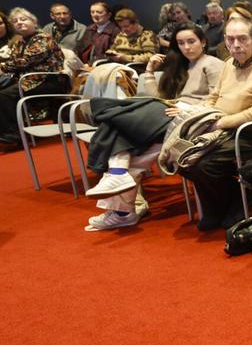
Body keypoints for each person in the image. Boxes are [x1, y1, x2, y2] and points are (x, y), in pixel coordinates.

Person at [81, 23, 223, 230]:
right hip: (167, 117)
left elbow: (217, 99)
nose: (186, 47)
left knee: (120, 125)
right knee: (133, 155)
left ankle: (121, 205)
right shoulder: (180, 66)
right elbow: (158, 98)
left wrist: (186, 108)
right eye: (181, 43)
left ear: (203, 42)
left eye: (191, 41)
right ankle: (121, 199)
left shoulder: (213, 64)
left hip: (191, 120)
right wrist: (149, 71)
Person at [179, 13, 252, 230]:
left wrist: (223, 122)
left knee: (203, 163)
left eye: (242, 39)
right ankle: (222, 205)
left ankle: (236, 203)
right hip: (222, 127)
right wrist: (199, 112)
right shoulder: (229, 63)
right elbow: (215, 95)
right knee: (183, 157)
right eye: (230, 39)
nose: (235, 45)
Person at [0, 7, 67, 146]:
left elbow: (26, 60)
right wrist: (3, 68)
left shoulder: (43, 38)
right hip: (27, 79)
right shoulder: (19, 42)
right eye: (15, 21)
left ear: (34, 22)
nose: (19, 23)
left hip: (47, 79)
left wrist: (1, 69)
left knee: (5, 95)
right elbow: (12, 61)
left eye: (23, 19)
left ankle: (14, 135)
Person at [77, 1, 119, 66]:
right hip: (85, 64)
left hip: (104, 65)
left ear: (109, 15)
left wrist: (91, 63)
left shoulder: (115, 30)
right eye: (92, 12)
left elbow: (113, 54)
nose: (95, 15)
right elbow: (79, 48)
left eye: (99, 12)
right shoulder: (89, 29)